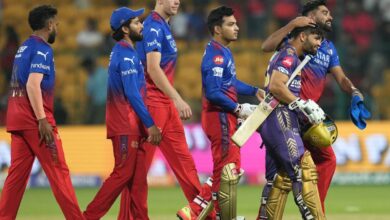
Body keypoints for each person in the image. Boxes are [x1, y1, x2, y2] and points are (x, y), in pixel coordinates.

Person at [257, 1, 370, 217]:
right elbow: (266, 47)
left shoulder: (327, 47)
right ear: (310, 16)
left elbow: (341, 77)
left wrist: (354, 91)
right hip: (288, 113)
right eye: (325, 13)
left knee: (323, 161)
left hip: (309, 119)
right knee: (281, 177)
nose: (330, 17)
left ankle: (316, 210)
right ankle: (314, 213)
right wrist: (292, 24)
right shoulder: (295, 39)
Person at [118, 0, 214, 219]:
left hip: (164, 104)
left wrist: (172, 101)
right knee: (139, 169)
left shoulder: (162, 25)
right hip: (152, 103)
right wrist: (178, 99)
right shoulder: (152, 25)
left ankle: (205, 214)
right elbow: (152, 68)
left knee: (185, 164)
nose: (177, 1)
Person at [0, 5, 85, 219]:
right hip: (35, 121)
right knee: (59, 173)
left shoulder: (24, 47)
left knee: (16, 178)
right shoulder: (42, 49)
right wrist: (41, 119)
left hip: (17, 118)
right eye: (56, 24)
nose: (57, 27)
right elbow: (32, 85)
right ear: (49, 25)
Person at [82, 7, 162, 220]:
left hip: (133, 126)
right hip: (125, 124)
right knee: (123, 174)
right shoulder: (125, 55)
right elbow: (132, 94)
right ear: (125, 28)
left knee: (137, 182)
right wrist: (151, 124)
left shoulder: (126, 52)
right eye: (136, 22)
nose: (141, 25)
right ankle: (88, 217)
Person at [194, 6, 263, 220]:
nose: (237, 27)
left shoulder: (223, 51)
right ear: (217, 28)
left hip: (223, 116)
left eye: (236, 23)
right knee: (226, 170)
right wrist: (237, 108)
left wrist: (253, 90)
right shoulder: (215, 55)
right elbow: (214, 92)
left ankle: (205, 211)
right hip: (220, 116)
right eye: (230, 24)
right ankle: (202, 212)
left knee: (228, 169)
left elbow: (229, 83)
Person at [257, 25, 326, 220]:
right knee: (305, 170)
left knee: (277, 180)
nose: (319, 43)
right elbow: (276, 86)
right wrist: (301, 105)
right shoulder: (289, 54)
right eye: (316, 38)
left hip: (276, 118)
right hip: (281, 117)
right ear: (302, 36)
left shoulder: (290, 55)